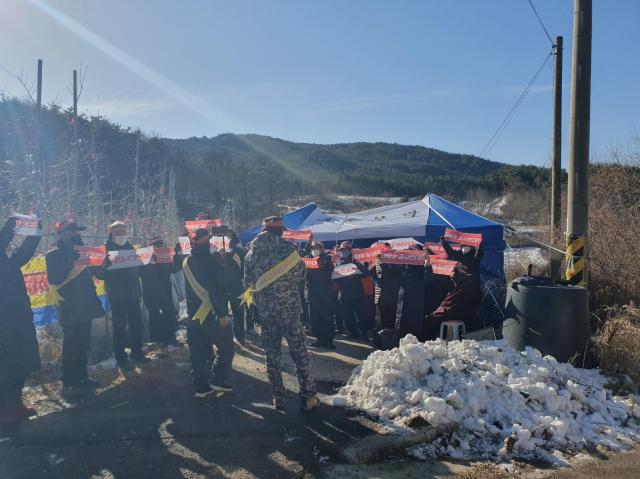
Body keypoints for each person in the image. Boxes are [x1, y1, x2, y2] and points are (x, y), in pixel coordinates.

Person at [244, 216, 319, 411]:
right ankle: (309, 396)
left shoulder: (251, 254)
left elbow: (248, 285)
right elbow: (302, 275)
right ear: (281, 231)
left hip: (266, 314)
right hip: (290, 312)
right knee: (300, 353)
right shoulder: (288, 250)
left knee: (272, 355)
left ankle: (278, 397)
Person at [45, 221, 105, 401]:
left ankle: (82, 377)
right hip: (69, 307)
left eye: (77, 232)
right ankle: (70, 382)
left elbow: (97, 275)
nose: (77, 235)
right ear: (62, 235)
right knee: (71, 345)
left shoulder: (84, 251)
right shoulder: (53, 255)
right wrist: (69, 259)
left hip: (86, 304)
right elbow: (55, 278)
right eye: (73, 232)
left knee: (83, 343)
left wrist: (104, 264)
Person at [183, 228, 235, 398]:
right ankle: (219, 379)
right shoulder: (209, 259)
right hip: (212, 313)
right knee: (226, 347)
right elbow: (214, 289)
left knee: (198, 353)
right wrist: (222, 314)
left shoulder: (188, 260)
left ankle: (200, 387)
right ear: (206, 240)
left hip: (194, 313)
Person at [0, 217, 41, 427]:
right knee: (6, 366)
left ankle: (15, 403)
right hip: (3, 323)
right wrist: (9, 229)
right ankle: (5, 409)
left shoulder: (8, 262)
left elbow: (23, 254)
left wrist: (36, 233)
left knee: (22, 362)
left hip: (19, 317)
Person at [95, 221, 148, 370]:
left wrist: (146, 263)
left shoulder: (130, 248)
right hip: (117, 295)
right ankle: (120, 357)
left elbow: (139, 270)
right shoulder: (104, 250)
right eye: (117, 232)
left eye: (123, 231)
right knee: (119, 327)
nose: (120, 234)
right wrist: (104, 266)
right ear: (110, 233)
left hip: (133, 293)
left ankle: (137, 352)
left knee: (136, 324)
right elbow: (99, 274)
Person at [140, 236, 179, 347]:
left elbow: (174, 269)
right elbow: (139, 272)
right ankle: (158, 338)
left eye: (160, 245)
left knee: (169, 312)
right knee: (154, 314)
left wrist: (177, 256)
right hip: (150, 290)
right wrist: (149, 262)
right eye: (156, 245)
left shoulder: (165, 256)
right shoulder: (144, 257)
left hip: (165, 289)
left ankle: (171, 337)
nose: (159, 247)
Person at [425, 266, 477, 339]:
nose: (451, 278)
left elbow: (449, 308)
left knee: (429, 319)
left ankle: (430, 339)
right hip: (457, 313)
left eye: (453, 277)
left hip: (456, 314)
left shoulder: (461, 289)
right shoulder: (461, 288)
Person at [334, 241, 370, 340]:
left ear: (350, 251)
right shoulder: (338, 263)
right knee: (347, 315)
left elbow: (366, 274)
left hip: (357, 293)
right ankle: (353, 332)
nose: (343, 252)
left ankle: (364, 332)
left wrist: (357, 267)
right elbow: (335, 277)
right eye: (341, 250)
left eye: (345, 250)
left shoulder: (357, 262)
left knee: (361, 314)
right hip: (344, 294)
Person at [305, 240, 335, 349]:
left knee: (327, 318)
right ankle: (320, 339)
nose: (314, 250)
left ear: (321, 249)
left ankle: (329, 340)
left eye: (317, 247)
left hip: (325, 294)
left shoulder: (327, 259)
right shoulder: (306, 259)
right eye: (312, 248)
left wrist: (322, 264)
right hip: (312, 294)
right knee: (315, 319)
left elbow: (330, 272)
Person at [398, 244, 431, 341]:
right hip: (405, 299)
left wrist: (427, 265)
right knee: (404, 323)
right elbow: (400, 280)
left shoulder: (423, 267)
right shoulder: (405, 266)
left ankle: (417, 343)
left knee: (415, 324)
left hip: (417, 300)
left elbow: (429, 280)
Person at [219, 230, 247, 345]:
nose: (226, 239)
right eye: (224, 236)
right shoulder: (215, 252)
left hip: (237, 288)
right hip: (220, 289)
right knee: (222, 315)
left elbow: (244, 270)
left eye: (229, 237)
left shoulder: (239, 251)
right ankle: (225, 340)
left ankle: (240, 338)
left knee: (238, 314)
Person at [441, 237, 484, 304]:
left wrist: (480, 246)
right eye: (462, 247)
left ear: (471, 247)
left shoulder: (474, 258)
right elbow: (451, 252)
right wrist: (444, 243)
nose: (463, 248)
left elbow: (479, 254)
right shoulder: (460, 256)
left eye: (466, 246)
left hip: (471, 291)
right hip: (460, 291)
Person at [373, 243, 402, 329]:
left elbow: (399, 276)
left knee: (392, 317)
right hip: (382, 295)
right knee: (383, 318)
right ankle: (383, 335)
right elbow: (374, 276)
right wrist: (378, 263)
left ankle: (391, 334)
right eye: (386, 251)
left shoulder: (398, 264)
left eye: (389, 250)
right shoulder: (379, 264)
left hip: (394, 295)